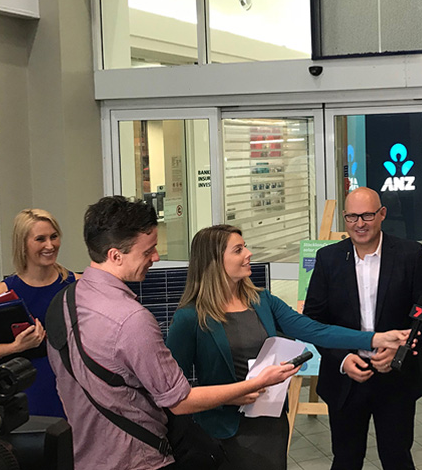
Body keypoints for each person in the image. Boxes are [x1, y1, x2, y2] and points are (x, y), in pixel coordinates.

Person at [47, 196, 299, 470]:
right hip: (137, 458)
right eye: (147, 251)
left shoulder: (64, 302)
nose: (155, 257)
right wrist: (253, 385)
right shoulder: (132, 320)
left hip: (85, 455)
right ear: (115, 255)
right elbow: (179, 401)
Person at [167, 224, 411, 470]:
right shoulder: (190, 318)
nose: (249, 253)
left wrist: (374, 339)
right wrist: (229, 396)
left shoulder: (262, 301)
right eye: (238, 250)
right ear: (214, 261)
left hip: (270, 424)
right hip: (221, 431)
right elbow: (172, 389)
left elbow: (316, 331)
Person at [303, 187, 422, 470]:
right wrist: (341, 359)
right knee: (346, 458)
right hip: (347, 377)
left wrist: (401, 349)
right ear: (344, 217)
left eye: (367, 215)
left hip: (396, 377)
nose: (359, 224)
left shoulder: (409, 254)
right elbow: (313, 320)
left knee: (397, 456)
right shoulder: (329, 259)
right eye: (352, 217)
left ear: (382, 214)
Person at [0, 208, 77, 418]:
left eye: (54, 237)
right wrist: (14, 347)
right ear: (23, 244)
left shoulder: (78, 285)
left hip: (75, 389)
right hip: (29, 393)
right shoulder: (3, 294)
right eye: (40, 239)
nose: (50, 245)